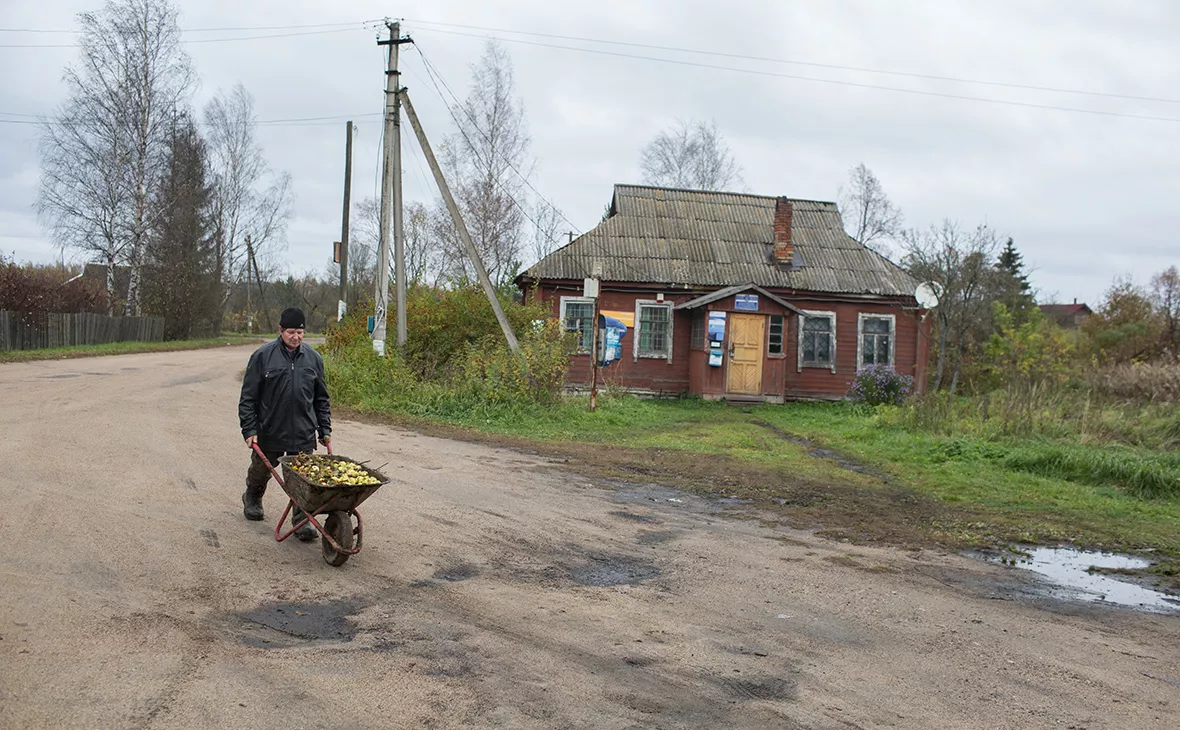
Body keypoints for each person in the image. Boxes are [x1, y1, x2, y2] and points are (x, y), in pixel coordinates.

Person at [238, 307, 331, 541]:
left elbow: (321, 398)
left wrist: (324, 429)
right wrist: (249, 429)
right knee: (261, 470)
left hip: (303, 431)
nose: (296, 337)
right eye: (291, 332)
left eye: (300, 332)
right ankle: (253, 496)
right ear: (280, 330)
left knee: (303, 479)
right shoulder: (263, 356)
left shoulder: (313, 358)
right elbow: (248, 397)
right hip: (270, 428)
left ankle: (301, 521)